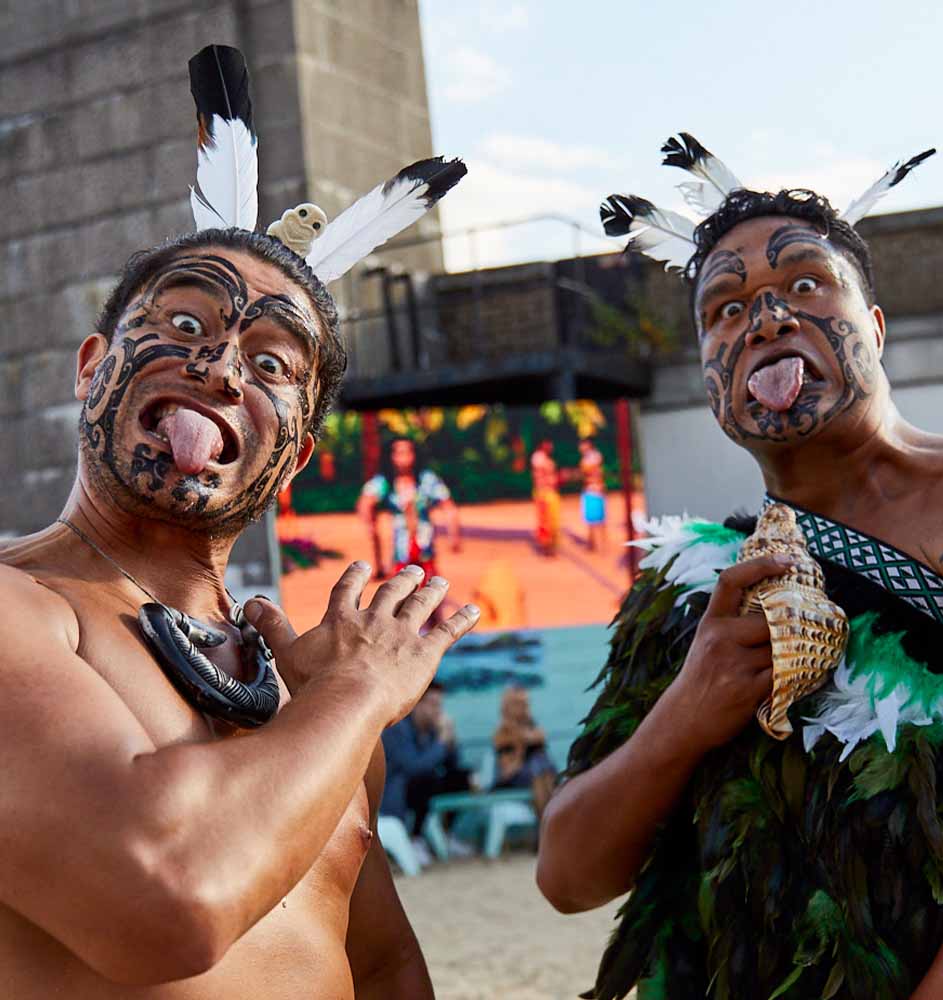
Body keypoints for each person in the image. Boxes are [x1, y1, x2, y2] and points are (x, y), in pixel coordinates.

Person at [0, 45, 475, 999]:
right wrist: (361, 694)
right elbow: (162, 903)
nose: (219, 368)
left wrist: (332, 709)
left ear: (297, 452)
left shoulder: (314, 695)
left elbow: (381, 965)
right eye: (181, 328)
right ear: (92, 367)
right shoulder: (17, 609)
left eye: (270, 365)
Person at [538, 135, 943, 1000]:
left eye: (805, 284)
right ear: (711, 375)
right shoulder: (691, 582)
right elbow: (567, 876)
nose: (767, 318)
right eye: (725, 308)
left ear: (875, 327)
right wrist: (690, 709)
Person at [382, 680, 473, 860]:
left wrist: (451, 742)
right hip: (396, 793)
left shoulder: (433, 730)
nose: (438, 710)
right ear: (417, 705)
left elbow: (452, 765)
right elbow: (413, 767)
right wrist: (440, 743)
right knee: (425, 779)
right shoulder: (397, 728)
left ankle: (447, 835)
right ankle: (415, 838)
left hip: (422, 788)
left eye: (440, 705)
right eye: (433, 705)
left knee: (462, 778)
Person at [357, 438, 461, 580]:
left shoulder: (426, 479)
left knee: (429, 589)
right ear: (391, 456)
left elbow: (448, 506)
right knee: (400, 588)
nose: (403, 457)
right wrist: (370, 525)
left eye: (407, 452)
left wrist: (453, 533)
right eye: (399, 453)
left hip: (425, 545)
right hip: (401, 549)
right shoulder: (386, 481)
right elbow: (365, 501)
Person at [493, 685, 557, 817]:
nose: (524, 708)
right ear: (507, 707)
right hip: (515, 777)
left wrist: (524, 736)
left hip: (540, 773)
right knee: (538, 772)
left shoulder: (531, 726)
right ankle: (546, 821)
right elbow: (508, 769)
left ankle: (553, 819)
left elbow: (540, 737)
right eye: (519, 704)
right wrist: (521, 745)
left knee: (545, 771)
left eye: (525, 704)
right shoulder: (501, 733)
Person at [531, 438, 561, 556]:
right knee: (545, 521)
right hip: (543, 493)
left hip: (551, 492)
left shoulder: (547, 459)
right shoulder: (538, 457)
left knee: (554, 521)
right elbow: (542, 471)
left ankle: (552, 546)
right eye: (547, 443)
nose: (550, 446)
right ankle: (547, 547)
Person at [578, 438, 607, 552]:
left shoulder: (593, 457)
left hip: (594, 490)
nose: (580, 447)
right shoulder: (588, 458)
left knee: (598, 519)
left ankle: (599, 544)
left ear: (588, 445)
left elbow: (588, 470)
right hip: (591, 489)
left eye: (582, 445)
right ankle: (593, 544)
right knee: (592, 519)